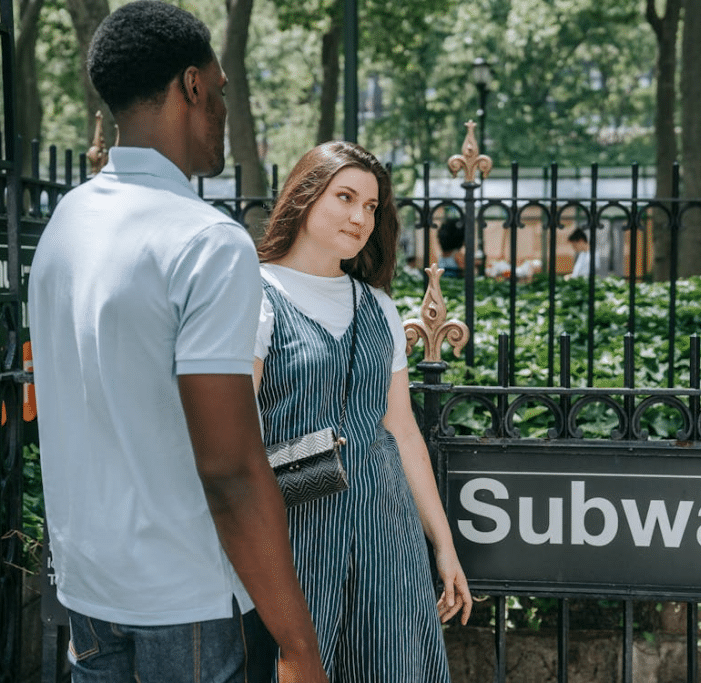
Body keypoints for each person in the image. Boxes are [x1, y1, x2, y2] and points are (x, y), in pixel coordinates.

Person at [27, 3, 326, 682]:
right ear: (192, 86)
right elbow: (228, 467)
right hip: (183, 598)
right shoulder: (208, 241)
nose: (223, 108)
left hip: (88, 589)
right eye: (221, 91)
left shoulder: (66, 223)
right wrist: (299, 643)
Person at [253, 141, 473, 681]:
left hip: (385, 533)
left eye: (371, 206)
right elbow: (236, 437)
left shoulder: (377, 305)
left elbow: (401, 430)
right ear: (305, 197)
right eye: (345, 197)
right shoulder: (255, 294)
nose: (359, 217)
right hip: (298, 531)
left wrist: (444, 547)